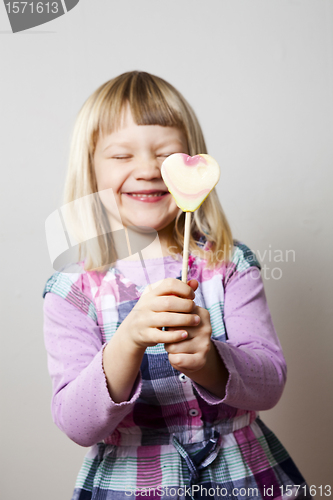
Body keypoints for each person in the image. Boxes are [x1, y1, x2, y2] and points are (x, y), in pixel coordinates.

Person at [43, 71, 310, 500]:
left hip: (245, 478)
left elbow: (270, 385)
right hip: (129, 485)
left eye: (166, 154)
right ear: (89, 168)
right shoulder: (71, 289)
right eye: (121, 155)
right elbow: (77, 424)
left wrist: (211, 361)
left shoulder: (229, 265)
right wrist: (126, 342)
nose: (147, 169)